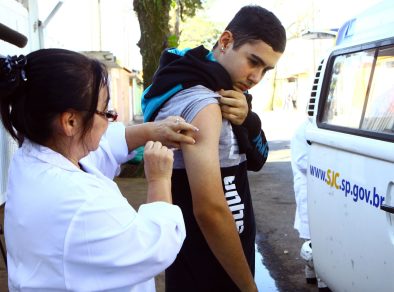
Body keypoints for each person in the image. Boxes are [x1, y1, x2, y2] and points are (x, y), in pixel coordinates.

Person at [0, 49, 200, 291]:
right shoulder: (81, 202)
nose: (110, 120)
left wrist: (151, 130)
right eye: (106, 112)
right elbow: (154, 248)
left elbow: (99, 147)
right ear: (70, 122)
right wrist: (159, 180)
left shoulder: (33, 156)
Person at [142, 5, 286, 291]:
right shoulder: (202, 101)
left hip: (222, 253)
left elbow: (259, 158)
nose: (257, 77)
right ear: (225, 41)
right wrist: (249, 287)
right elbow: (209, 209)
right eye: (253, 61)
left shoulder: (231, 95)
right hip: (208, 263)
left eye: (266, 70)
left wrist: (250, 121)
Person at [291, 118, 328, 290]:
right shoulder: (304, 129)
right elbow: (301, 160)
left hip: (319, 190)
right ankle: (319, 276)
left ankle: (312, 272)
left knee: (320, 235)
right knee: (314, 237)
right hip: (308, 188)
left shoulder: (319, 128)